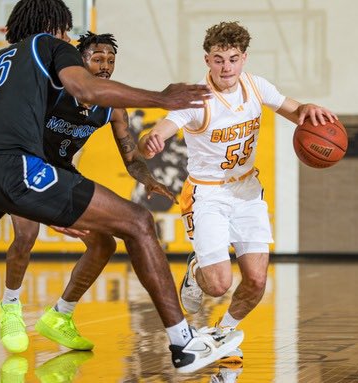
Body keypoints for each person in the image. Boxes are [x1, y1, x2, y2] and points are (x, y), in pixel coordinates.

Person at [0, 0, 243, 373]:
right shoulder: (50, 45)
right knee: (138, 222)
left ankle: (61, 314)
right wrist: (160, 98)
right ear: (53, 25)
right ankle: (183, 344)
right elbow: (86, 90)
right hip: (16, 166)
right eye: (65, 29)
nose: (67, 37)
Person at [139, 21, 337, 362]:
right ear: (207, 59)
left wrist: (309, 109)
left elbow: (296, 111)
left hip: (247, 191)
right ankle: (196, 270)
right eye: (218, 59)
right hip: (208, 195)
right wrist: (153, 138)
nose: (226, 67)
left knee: (257, 281)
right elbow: (164, 127)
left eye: (232, 58)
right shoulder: (195, 99)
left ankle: (223, 332)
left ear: (244, 58)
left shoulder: (256, 86)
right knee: (217, 285)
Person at [0, 31, 177, 354]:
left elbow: (131, 158)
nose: (105, 65)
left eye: (110, 60)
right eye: (98, 58)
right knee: (26, 235)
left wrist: (148, 179)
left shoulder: (113, 106)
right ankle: (10, 307)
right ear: (80, 61)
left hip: (63, 173)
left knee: (103, 243)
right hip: (25, 167)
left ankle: (60, 316)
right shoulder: (54, 90)